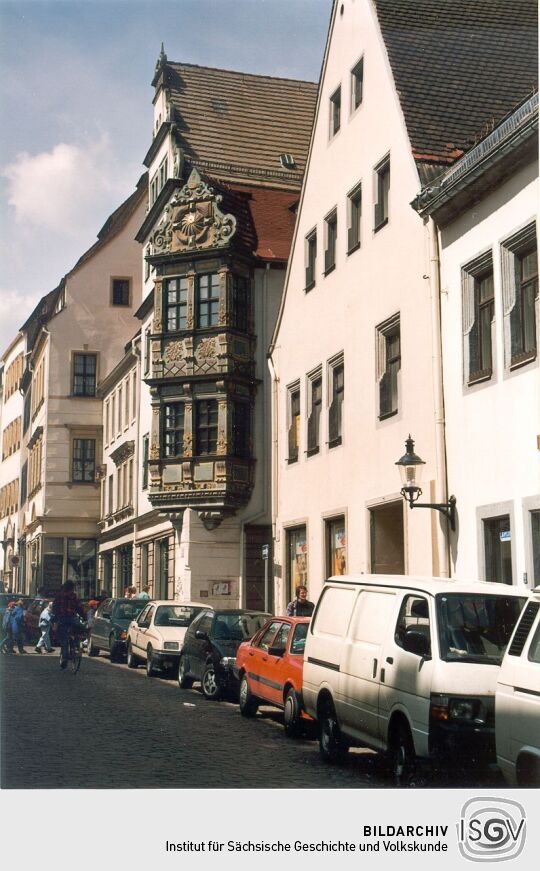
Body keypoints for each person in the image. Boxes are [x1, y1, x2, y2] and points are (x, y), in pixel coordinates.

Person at [52, 581, 86, 669]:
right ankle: (77, 644)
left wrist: (56, 617)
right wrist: (84, 617)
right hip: (72, 619)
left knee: (64, 640)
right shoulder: (73, 596)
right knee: (79, 629)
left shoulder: (59, 596)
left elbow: (54, 608)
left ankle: (64, 657)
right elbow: (79, 608)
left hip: (62, 619)